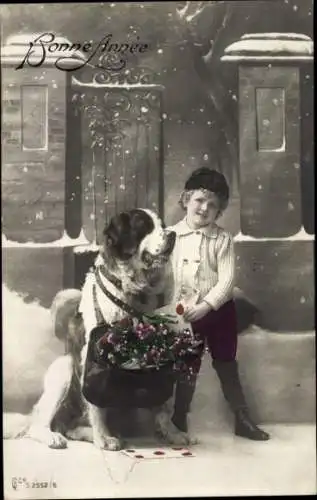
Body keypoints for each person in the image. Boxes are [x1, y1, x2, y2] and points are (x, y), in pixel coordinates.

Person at [168, 167, 270, 441]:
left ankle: (241, 418)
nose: (204, 208)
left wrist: (207, 305)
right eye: (200, 200)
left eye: (212, 205)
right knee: (187, 365)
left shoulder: (222, 239)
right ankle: (178, 418)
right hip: (186, 313)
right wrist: (181, 309)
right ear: (187, 199)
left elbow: (226, 281)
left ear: (219, 211)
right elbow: (168, 278)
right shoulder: (170, 237)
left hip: (219, 311)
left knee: (226, 363)